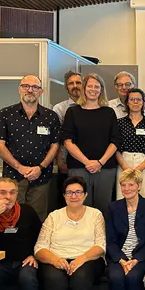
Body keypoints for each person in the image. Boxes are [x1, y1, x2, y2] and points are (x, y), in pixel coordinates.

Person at [34, 176, 106, 290]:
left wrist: (81, 259)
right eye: (69, 192)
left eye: (78, 192)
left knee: (80, 278)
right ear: (64, 195)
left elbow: (101, 245)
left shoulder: (95, 214)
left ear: (85, 195)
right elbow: (40, 247)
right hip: (57, 258)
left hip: (88, 259)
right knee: (53, 278)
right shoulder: (54, 216)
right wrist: (55, 260)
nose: (74, 196)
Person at [0, 74, 61, 221]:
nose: (30, 90)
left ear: (41, 92)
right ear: (19, 89)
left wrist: (40, 167)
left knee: (37, 219)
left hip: (41, 177)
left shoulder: (50, 116)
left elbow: (55, 145)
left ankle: (35, 245)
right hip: (13, 178)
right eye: (26, 86)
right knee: (10, 217)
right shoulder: (6, 114)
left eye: (35, 87)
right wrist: (19, 167)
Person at [62, 73, 121, 217]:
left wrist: (100, 162)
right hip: (79, 167)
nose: (93, 89)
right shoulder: (72, 112)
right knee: (79, 207)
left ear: (101, 90)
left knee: (103, 208)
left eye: (97, 86)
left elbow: (115, 141)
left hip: (105, 168)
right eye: (90, 86)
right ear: (84, 88)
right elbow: (68, 141)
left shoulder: (109, 112)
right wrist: (87, 162)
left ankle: (102, 238)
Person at [115, 87, 145, 200]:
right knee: (122, 198)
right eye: (132, 99)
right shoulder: (119, 123)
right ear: (127, 102)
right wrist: (125, 167)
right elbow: (115, 147)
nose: (135, 102)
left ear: (143, 103)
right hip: (124, 162)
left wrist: (141, 167)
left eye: (139, 100)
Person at [53, 71, 82, 207]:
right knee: (68, 200)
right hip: (66, 161)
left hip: (89, 162)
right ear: (66, 87)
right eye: (71, 83)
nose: (75, 86)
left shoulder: (93, 106)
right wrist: (60, 161)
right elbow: (57, 138)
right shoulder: (59, 109)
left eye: (78, 82)